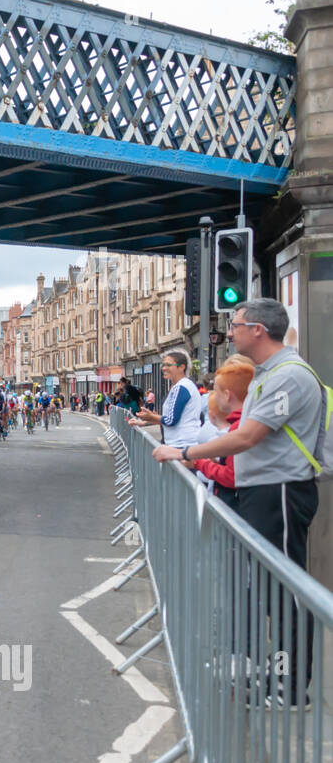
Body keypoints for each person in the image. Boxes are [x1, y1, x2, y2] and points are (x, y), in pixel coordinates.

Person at [152, 299, 328, 708]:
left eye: (235, 325)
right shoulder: (271, 373)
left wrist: (186, 454)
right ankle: (278, 672)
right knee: (271, 589)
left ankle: (290, 686)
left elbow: (247, 437)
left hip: (280, 491)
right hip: (264, 491)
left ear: (259, 331)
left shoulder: (290, 377)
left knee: (285, 591)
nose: (228, 332)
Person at [191, 355, 255, 512]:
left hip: (237, 503)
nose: (213, 396)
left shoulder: (239, 427)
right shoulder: (244, 422)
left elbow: (232, 476)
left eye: (216, 391)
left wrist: (198, 462)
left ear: (227, 394)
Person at [135, 350, 203, 449]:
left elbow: (171, 420)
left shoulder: (181, 387)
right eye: (163, 365)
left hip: (181, 445)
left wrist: (150, 417)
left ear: (181, 367)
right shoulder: (182, 386)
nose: (164, 368)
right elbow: (174, 418)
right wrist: (149, 418)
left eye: (168, 365)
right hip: (182, 444)